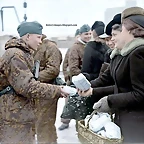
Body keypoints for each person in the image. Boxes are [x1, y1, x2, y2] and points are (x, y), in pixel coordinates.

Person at [78, 7, 144, 143]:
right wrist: (88, 87)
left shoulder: (138, 53)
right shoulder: (120, 54)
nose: (112, 39)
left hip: (137, 122)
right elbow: (106, 78)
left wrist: (109, 101)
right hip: (124, 116)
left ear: (130, 31)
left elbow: (140, 94)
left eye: (115, 34)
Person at [0, 21, 68, 143]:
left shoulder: (21, 53)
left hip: (19, 114)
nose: (40, 41)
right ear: (27, 36)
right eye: (38, 37)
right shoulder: (15, 55)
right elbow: (27, 86)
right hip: (14, 117)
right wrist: (57, 90)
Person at [33, 34, 62, 143]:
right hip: (34, 92)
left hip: (48, 93)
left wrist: (33, 79)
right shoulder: (30, 47)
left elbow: (53, 70)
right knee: (39, 125)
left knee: (45, 126)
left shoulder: (50, 47)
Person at [58, 29, 80, 131]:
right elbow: (65, 64)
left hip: (81, 80)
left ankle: (80, 123)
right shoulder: (71, 49)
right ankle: (65, 121)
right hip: (71, 81)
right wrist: (67, 77)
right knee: (68, 103)